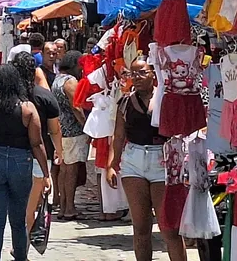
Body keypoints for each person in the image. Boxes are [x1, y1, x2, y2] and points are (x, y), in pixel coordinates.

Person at [105, 58, 186, 261]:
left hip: (162, 159)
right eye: (133, 73)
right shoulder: (124, 101)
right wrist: (111, 165)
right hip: (133, 158)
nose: (137, 78)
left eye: (142, 72)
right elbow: (118, 135)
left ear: (153, 73)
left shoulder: (166, 98)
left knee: (169, 227)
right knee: (140, 226)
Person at [0, 64, 51, 261]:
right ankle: (21, 257)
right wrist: (46, 174)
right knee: (18, 219)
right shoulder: (27, 108)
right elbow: (37, 143)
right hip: (20, 161)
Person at [13, 52, 63, 231]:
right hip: (41, 154)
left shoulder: (7, 97)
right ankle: (24, 241)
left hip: (13, 153)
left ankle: (20, 240)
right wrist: (59, 150)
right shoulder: (45, 96)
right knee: (32, 202)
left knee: (18, 200)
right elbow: (54, 129)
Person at [52, 51, 87, 220]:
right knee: (71, 170)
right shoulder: (70, 81)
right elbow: (76, 107)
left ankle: (63, 205)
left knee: (63, 170)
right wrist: (86, 127)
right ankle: (70, 207)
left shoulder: (57, 79)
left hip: (60, 130)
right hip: (72, 131)